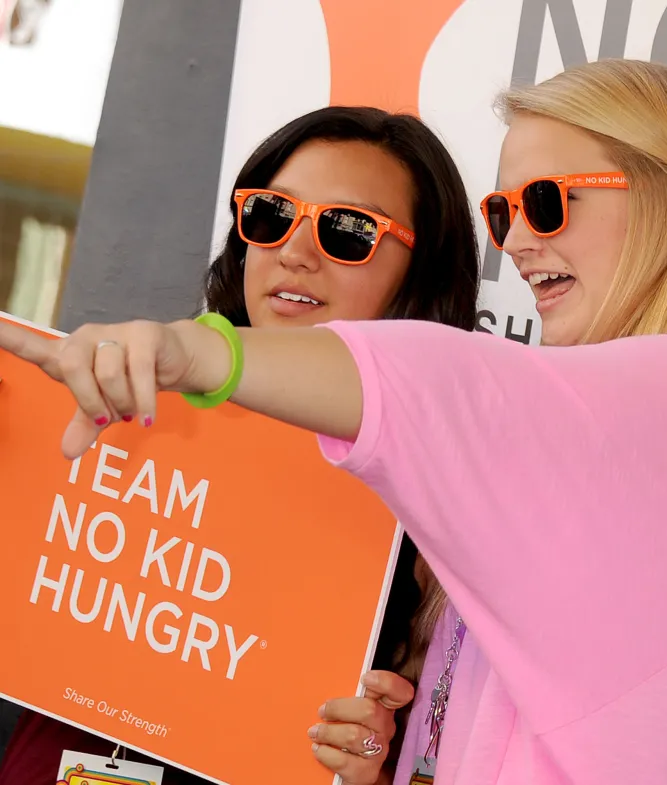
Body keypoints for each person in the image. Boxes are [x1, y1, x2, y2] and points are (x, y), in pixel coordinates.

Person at [2, 57, 667, 785]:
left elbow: (454, 391)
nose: (513, 242)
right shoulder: (572, 455)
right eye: (503, 211)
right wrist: (390, 759)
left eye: (546, 202)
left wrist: (201, 354)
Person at [0, 105, 479, 785]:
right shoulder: (119, 403)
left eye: (349, 231)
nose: (295, 251)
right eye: (272, 214)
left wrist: (371, 767)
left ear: (421, 274)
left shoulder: (440, 527)